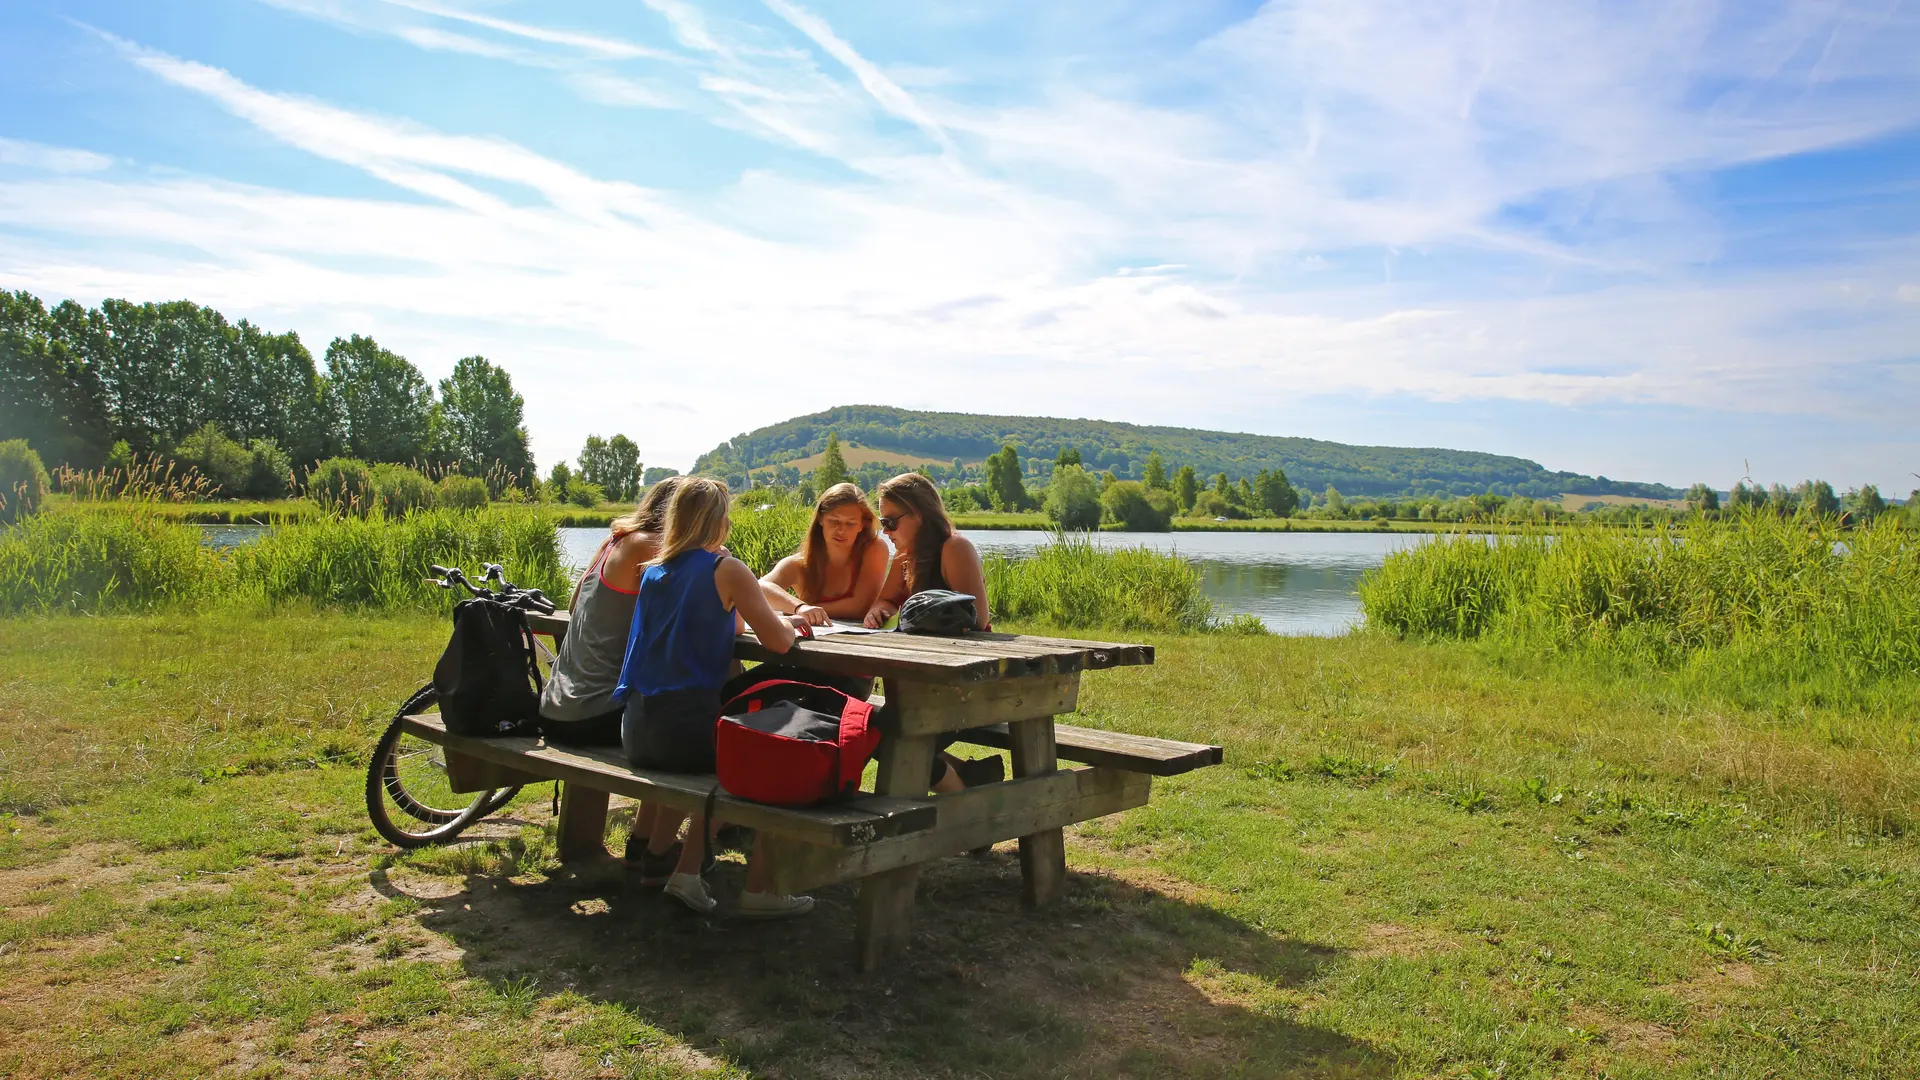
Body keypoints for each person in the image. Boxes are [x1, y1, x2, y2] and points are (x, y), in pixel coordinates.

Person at [613, 477, 818, 918]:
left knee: (734, 736)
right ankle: (757, 890)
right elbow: (778, 642)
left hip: (639, 730)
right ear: (717, 521)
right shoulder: (725, 569)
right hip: (685, 731)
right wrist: (792, 623)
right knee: (782, 752)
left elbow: (729, 625)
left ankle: (678, 866)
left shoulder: (654, 572)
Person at [537, 477, 682, 880]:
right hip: (593, 712)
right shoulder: (650, 547)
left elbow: (572, 605)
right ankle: (656, 844)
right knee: (689, 725)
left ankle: (647, 841)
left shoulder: (614, 542)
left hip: (557, 705)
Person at [864, 472, 1002, 793]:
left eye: (891, 522)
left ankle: (968, 804)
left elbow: (978, 621)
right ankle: (969, 776)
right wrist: (877, 612)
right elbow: (886, 600)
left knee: (885, 738)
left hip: (966, 685)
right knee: (871, 731)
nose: (886, 532)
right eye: (882, 523)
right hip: (926, 686)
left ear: (919, 515)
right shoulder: (905, 557)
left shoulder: (954, 548)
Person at [760, 482, 889, 623]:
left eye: (850, 523)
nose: (841, 530)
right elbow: (759, 589)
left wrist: (808, 608)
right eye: (834, 521)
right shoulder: (798, 564)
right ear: (820, 519)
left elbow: (861, 607)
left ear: (862, 525)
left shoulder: (875, 549)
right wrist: (799, 608)